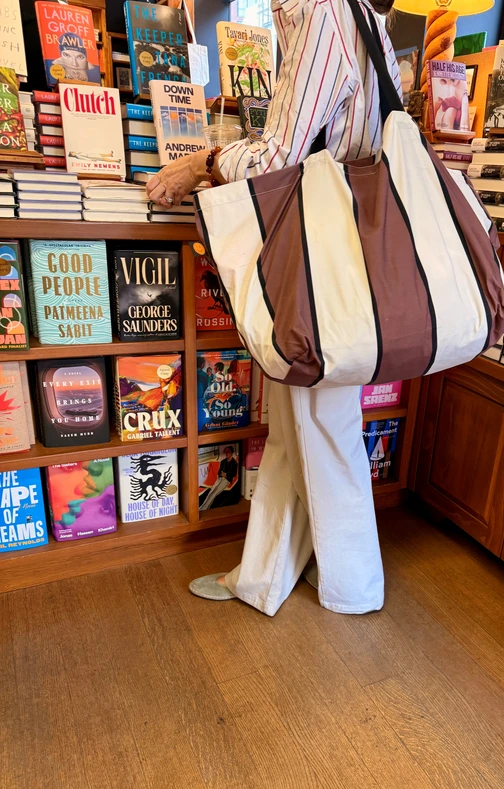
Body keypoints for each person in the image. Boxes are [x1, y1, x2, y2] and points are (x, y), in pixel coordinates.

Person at [147, 0, 402, 617]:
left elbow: (275, 157)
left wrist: (202, 163)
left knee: (324, 425)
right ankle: (267, 575)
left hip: (321, 256)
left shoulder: (321, 13)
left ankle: (355, 584)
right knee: (302, 423)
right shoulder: (361, 15)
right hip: (347, 252)